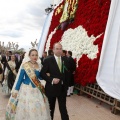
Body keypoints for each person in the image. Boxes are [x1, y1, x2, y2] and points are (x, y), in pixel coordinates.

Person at [6, 49, 51, 120]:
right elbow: (20, 79)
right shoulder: (25, 65)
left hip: (37, 89)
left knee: (37, 107)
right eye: (32, 55)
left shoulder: (39, 65)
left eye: (36, 55)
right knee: (27, 107)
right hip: (26, 89)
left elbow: (39, 77)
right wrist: (16, 90)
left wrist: (46, 76)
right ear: (29, 56)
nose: (34, 56)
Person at [41, 43, 69, 120]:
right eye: (57, 49)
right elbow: (42, 74)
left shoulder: (65, 60)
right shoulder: (48, 60)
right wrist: (52, 80)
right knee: (50, 109)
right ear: (53, 50)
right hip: (51, 89)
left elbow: (67, 74)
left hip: (62, 89)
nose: (59, 50)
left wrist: (66, 86)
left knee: (63, 109)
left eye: (60, 48)